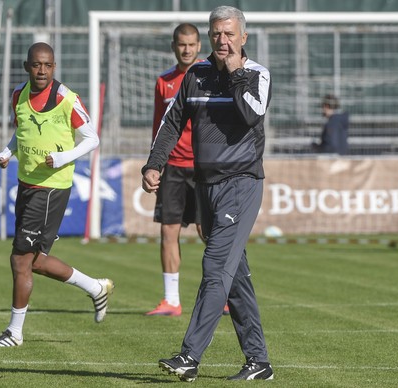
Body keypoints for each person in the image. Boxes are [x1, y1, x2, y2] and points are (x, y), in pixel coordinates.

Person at [141, 6, 273, 381]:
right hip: (205, 187)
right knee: (235, 278)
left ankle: (189, 356)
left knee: (215, 268)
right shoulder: (195, 76)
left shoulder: (256, 75)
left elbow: (252, 115)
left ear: (243, 38)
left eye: (230, 34)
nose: (223, 41)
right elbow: (171, 123)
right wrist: (154, 164)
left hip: (241, 184)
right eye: (217, 34)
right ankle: (258, 361)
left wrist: (233, 72)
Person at [0, 42, 114, 347]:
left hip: (51, 187)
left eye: (47, 65)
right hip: (26, 183)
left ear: (54, 67)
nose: (41, 70)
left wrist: (62, 157)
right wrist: (7, 151)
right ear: (26, 66)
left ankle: (14, 333)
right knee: (37, 262)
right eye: (36, 65)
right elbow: (22, 130)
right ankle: (96, 288)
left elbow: (92, 138)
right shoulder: (18, 94)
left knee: (20, 260)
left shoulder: (65, 98)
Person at [146, 23, 229, 317]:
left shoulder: (210, 78)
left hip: (204, 167)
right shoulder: (164, 82)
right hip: (173, 168)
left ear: (199, 45)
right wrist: (153, 164)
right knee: (168, 231)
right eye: (181, 44)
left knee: (209, 231)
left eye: (192, 44)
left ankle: (224, 296)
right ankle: (171, 300)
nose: (187, 49)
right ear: (174, 46)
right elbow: (160, 127)